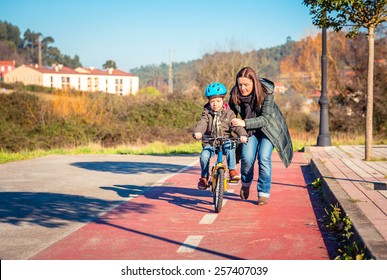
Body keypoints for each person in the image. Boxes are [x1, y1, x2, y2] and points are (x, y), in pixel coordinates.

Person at [229, 67, 293, 205]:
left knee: (264, 157)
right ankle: (245, 184)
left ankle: (263, 192)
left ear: (254, 82)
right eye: (240, 84)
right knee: (247, 158)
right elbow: (229, 114)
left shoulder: (266, 92)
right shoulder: (234, 95)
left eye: (246, 85)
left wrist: (244, 122)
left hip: (268, 129)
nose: (243, 88)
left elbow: (266, 119)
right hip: (249, 130)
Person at [193, 82, 248, 190]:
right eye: (212, 101)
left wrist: (242, 135)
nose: (215, 104)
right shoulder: (207, 113)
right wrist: (198, 132)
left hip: (225, 140)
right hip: (210, 142)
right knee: (204, 156)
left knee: (230, 147)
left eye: (218, 101)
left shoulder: (229, 113)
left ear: (223, 100)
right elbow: (202, 123)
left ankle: (232, 170)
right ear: (209, 101)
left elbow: (236, 126)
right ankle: (204, 177)